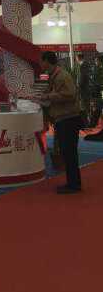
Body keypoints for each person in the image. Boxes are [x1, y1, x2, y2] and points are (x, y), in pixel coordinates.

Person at [38, 51, 82, 194]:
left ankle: (74, 184)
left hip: (68, 119)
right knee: (67, 152)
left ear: (47, 61)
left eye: (41, 61)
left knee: (69, 153)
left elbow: (70, 94)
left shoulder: (62, 75)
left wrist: (48, 96)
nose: (40, 64)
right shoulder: (54, 75)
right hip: (63, 118)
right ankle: (73, 183)